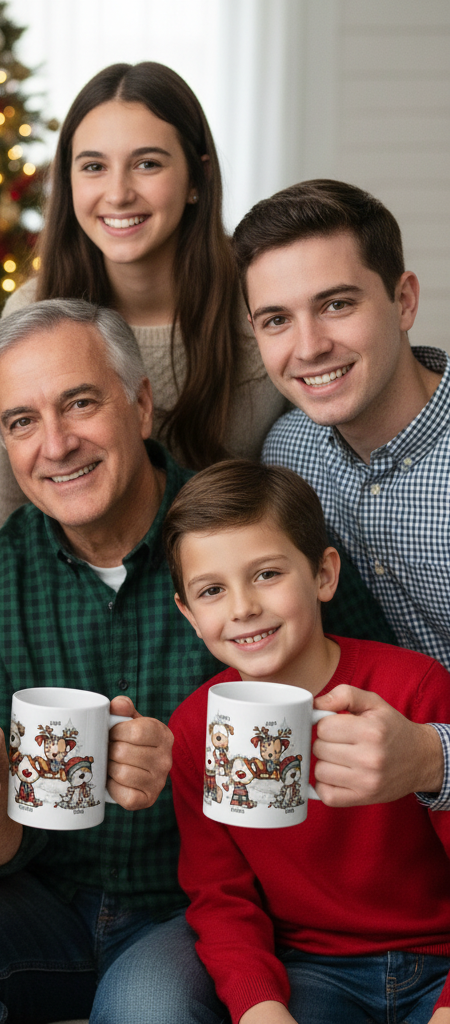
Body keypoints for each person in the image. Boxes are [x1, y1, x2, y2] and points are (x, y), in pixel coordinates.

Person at [0, 298, 389, 1024]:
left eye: (79, 403)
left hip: (195, 907)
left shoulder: (250, 539)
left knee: (148, 1003)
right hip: (39, 898)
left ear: (140, 405)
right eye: (22, 421)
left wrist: (188, 767)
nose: (56, 445)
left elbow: (376, 701)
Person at [164, 460, 450, 1024]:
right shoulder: (196, 728)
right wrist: (259, 1006)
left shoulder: (415, 689)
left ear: (323, 574)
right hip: (316, 971)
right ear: (189, 614)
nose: (243, 608)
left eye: (267, 574)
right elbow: (221, 897)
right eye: (212, 590)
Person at [0, 61, 286, 529]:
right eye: (94, 167)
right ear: (68, 181)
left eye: (147, 164)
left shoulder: (265, 301)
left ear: (197, 179)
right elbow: (14, 507)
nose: (118, 194)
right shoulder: (33, 309)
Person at [233, 179, 450, 812]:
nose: (309, 347)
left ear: (403, 300)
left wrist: (431, 756)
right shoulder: (289, 452)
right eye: (277, 320)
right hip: (374, 816)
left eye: (336, 304)